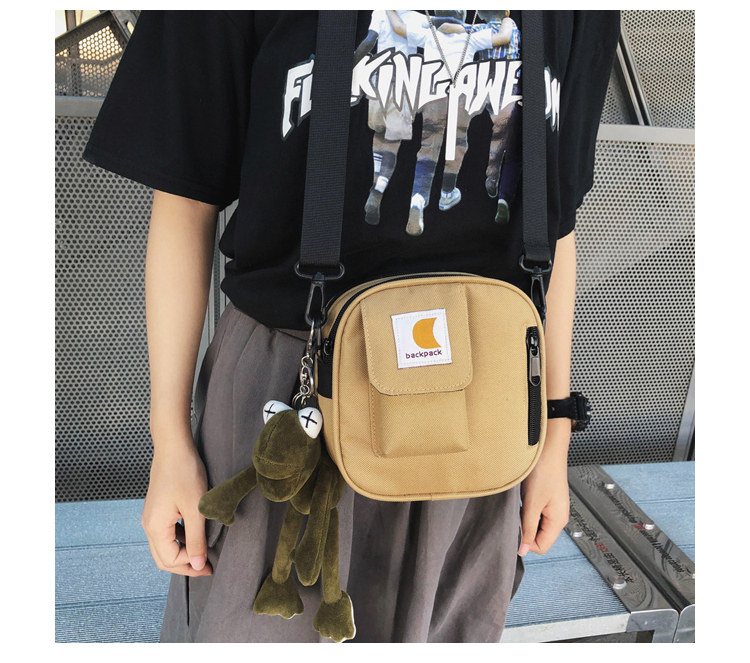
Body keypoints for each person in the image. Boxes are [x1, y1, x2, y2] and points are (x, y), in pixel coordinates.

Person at [83, 10, 619, 643]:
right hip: (287, 398)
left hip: (484, 401)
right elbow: (184, 200)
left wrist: (554, 437)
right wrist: (169, 440)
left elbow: (557, 227)